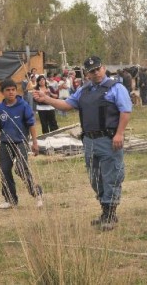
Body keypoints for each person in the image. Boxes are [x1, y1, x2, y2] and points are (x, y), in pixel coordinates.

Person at [33, 56, 132, 231]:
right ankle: (105, 210)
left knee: (111, 176)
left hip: (109, 140)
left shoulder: (116, 88)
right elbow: (65, 105)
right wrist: (46, 99)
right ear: (86, 74)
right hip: (89, 140)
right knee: (95, 178)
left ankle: (110, 213)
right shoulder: (83, 90)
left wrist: (119, 134)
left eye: (98, 69)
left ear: (103, 68)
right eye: (91, 71)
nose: (96, 73)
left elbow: (125, 111)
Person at [0, 78, 43, 209]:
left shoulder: (23, 105)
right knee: (4, 171)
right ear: (2, 92)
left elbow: (31, 124)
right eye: (7, 90)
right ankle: (10, 199)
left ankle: (37, 194)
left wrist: (35, 143)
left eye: (13, 90)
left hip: (21, 142)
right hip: (5, 144)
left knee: (21, 168)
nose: (11, 92)